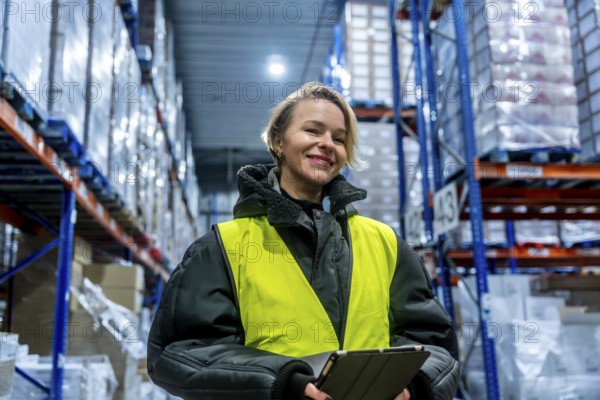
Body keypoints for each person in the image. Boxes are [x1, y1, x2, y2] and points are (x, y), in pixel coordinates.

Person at [147, 82, 460, 400]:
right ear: (278, 141)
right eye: (313, 131)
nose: (327, 144)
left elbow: (433, 342)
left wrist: (412, 383)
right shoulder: (221, 248)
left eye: (339, 138)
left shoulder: (386, 243)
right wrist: (282, 381)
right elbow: (178, 353)